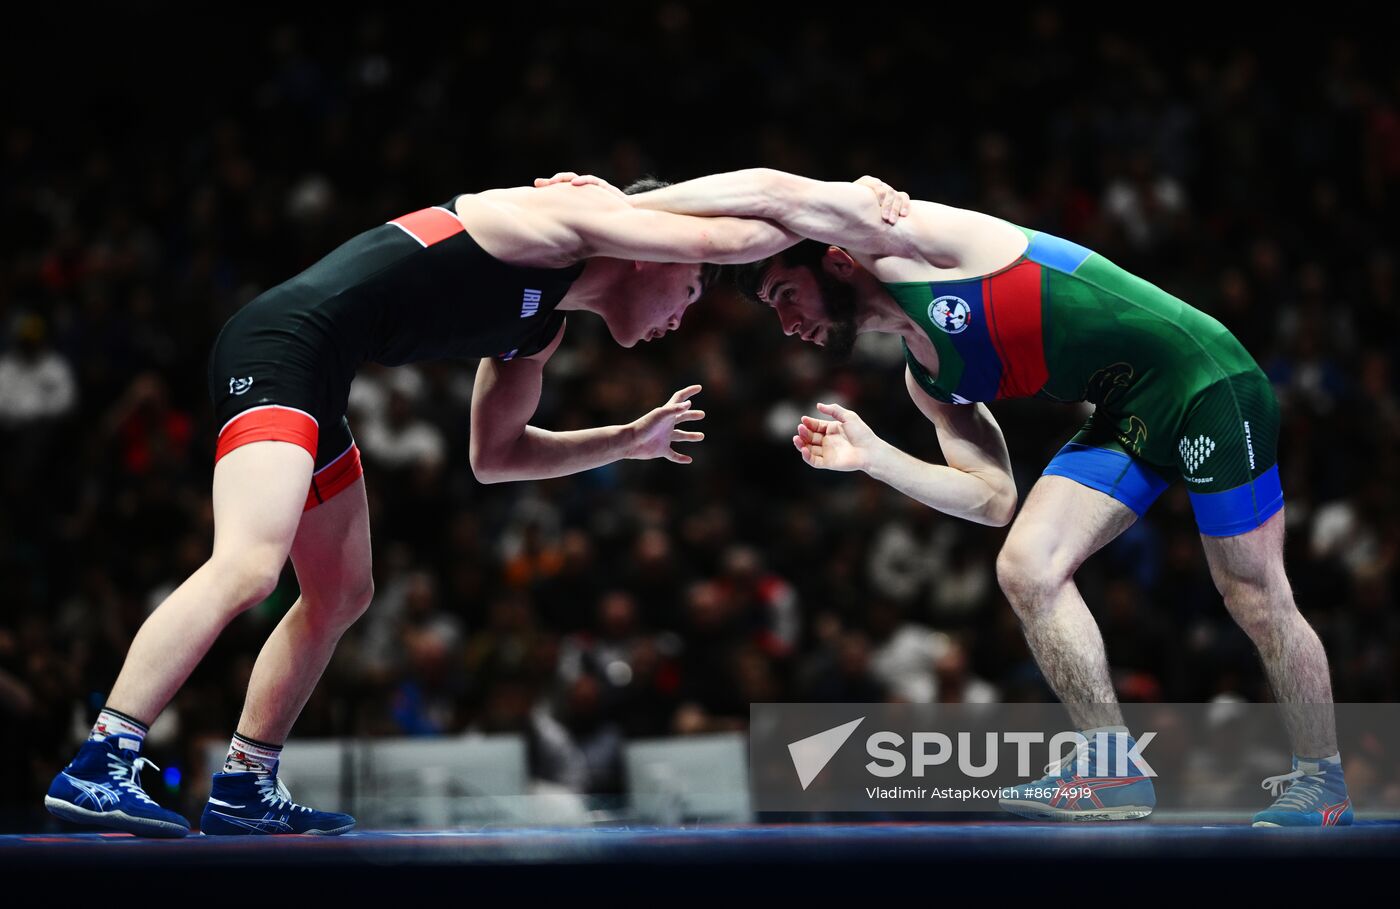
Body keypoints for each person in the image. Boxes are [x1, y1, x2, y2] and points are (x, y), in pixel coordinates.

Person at [545, 167, 1351, 826]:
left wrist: (613, 212)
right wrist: (874, 457)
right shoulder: (929, 375)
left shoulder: (910, 241)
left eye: (781, 296)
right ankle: (1112, 771)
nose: (784, 324)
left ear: (831, 261)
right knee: (1027, 567)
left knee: (1251, 591)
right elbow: (993, 497)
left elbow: (769, 190)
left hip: (1207, 376)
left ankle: (1322, 779)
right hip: (1128, 412)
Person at [44, 178, 796, 837]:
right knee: (247, 565)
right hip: (276, 349)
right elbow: (719, 229)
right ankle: (102, 755)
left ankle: (245, 780)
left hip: (318, 379)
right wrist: (836, 215)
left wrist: (624, 440)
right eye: (692, 287)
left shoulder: (539, 329)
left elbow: (494, 456)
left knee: (341, 591)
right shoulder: (551, 224)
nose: (684, 314)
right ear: (649, 254)